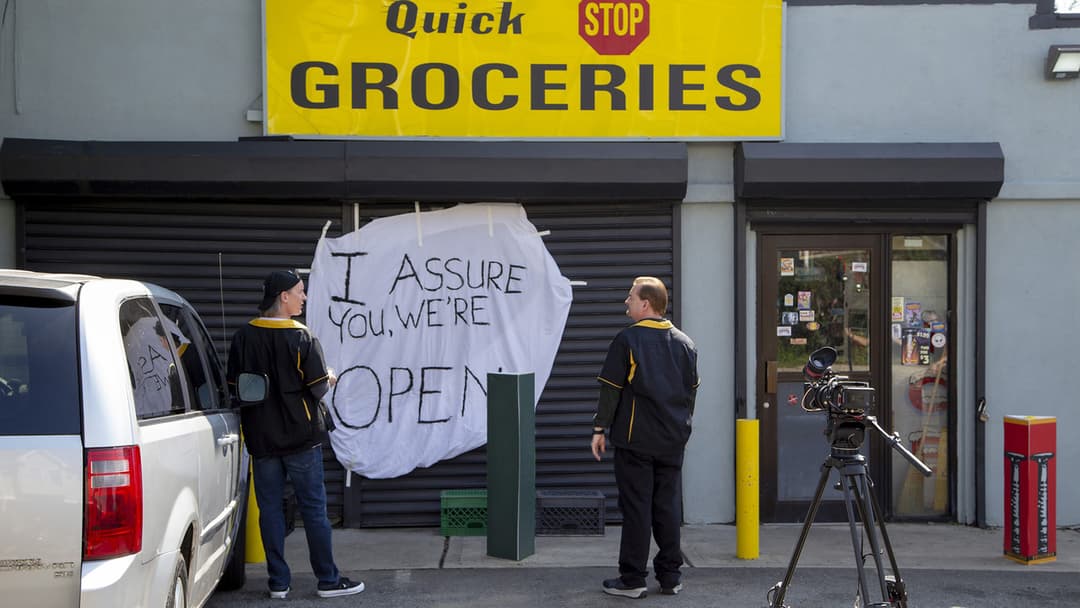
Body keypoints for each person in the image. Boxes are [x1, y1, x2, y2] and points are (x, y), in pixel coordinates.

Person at [227, 270, 364, 600]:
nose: (304, 297)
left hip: (261, 439)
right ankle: (328, 580)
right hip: (302, 438)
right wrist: (329, 376)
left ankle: (278, 583)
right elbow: (317, 389)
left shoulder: (244, 335)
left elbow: (235, 386)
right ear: (283, 297)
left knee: (271, 509)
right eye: (300, 292)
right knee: (314, 509)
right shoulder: (302, 337)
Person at [590, 276, 700, 599]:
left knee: (637, 508)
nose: (626, 302)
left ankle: (633, 579)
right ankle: (670, 577)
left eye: (630, 297)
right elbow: (691, 394)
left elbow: (610, 390)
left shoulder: (627, 341)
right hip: (672, 442)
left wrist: (600, 429)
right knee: (667, 506)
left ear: (646, 304)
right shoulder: (686, 343)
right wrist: (682, 428)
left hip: (635, 442)